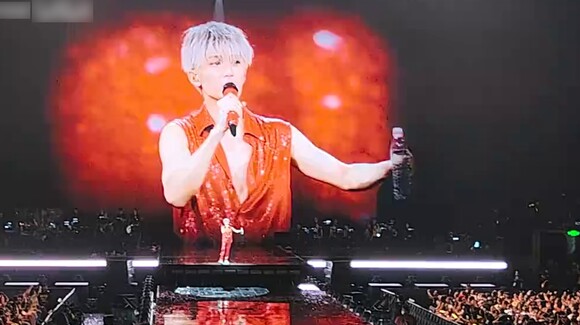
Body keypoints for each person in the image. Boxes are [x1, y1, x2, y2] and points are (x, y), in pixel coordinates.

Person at [159, 21, 410, 242]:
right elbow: (177, 194)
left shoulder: (279, 134)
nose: (229, 71)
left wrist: (391, 166)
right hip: (195, 279)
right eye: (216, 63)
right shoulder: (178, 133)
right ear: (195, 77)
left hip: (271, 279)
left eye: (237, 62)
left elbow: (345, 175)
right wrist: (217, 132)